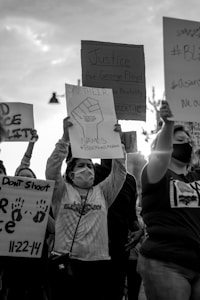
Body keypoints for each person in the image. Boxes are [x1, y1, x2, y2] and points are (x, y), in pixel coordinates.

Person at [45, 116, 127, 300]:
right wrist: (64, 139)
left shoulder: (103, 192)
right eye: (81, 165)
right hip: (66, 263)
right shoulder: (61, 191)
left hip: (98, 264)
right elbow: (51, 170)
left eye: (90, 166)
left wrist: (117, 143)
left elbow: (119, 172)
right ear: (71, 173)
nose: (87, 169)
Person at [137, 100, 200, 300]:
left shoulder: (196, 176)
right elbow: (160, 157)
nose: (187, 144)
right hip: (166, 261)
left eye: (190, 141)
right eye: (180, 140)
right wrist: (169, 124)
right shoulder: (155, 173)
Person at [2, 129, 54, 300]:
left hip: (36, 263)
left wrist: (42, 211)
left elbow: (54, 229)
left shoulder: (43, 203)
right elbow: (24, 165)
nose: (26, 180)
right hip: (13, 262)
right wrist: (31, 144)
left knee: (35, 293)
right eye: (21, 178)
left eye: (29, 179)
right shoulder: (6, 203)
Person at [94, 157, 143, 300]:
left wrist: (139, 231)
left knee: (115, 292)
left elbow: (131, 217)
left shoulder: (129, 180)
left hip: (119, 250)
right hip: (91, 249)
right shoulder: (91, 173)